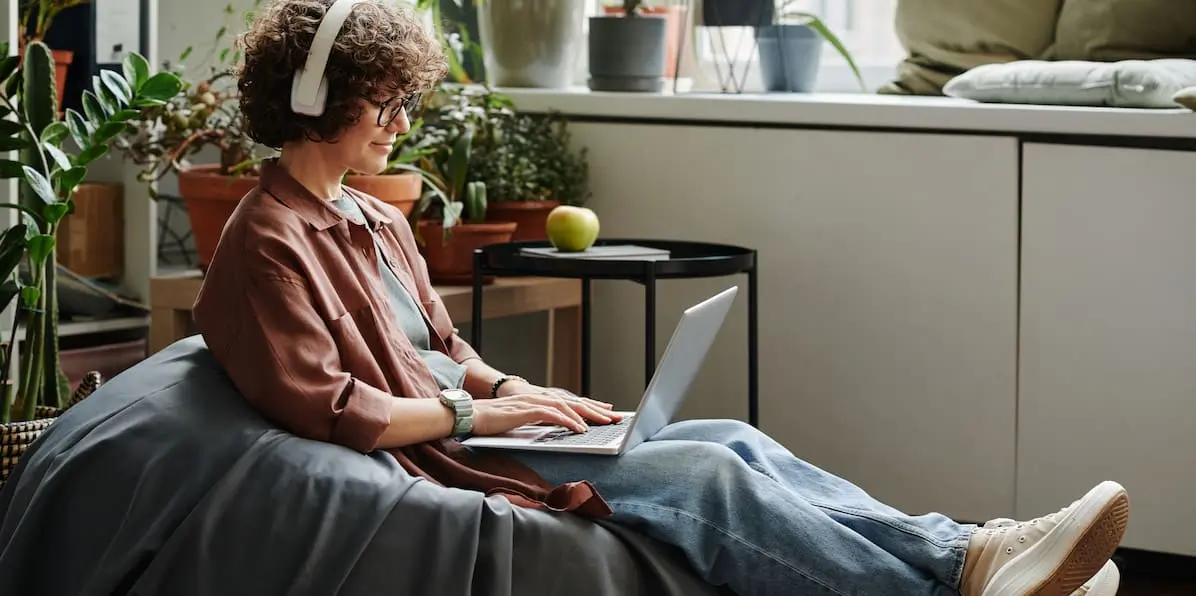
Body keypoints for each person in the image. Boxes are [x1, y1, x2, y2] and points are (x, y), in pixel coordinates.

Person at [193, 1, 1130, 595]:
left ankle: (973, 552)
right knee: (705, 479)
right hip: (443, 455)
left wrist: (527, 395)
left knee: (730, 438)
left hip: (482, 422)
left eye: (405, 103)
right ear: (319, 96)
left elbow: (443, 343)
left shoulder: (373, 215)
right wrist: (486, 409)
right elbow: (336, 409)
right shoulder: (268, 239)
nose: (400, 124)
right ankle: (954, 581)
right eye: (384, 104)